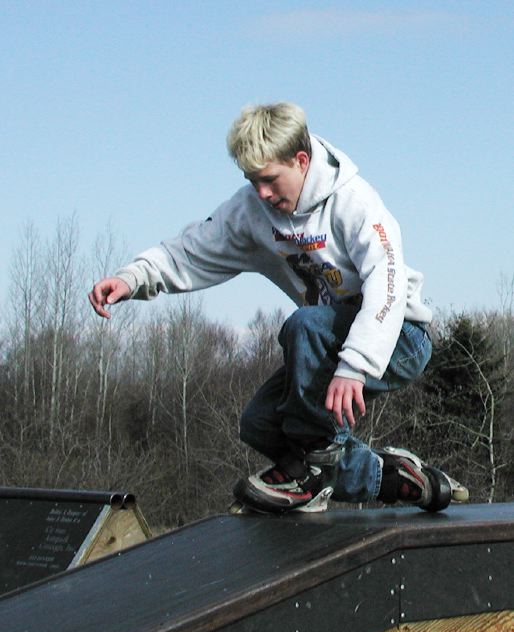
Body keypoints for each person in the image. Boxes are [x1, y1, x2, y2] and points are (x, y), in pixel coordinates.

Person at [89, 102, 466, 514]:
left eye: (270, 180)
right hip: (327, 343)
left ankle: (311, 474)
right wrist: (133, 278)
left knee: (304, 326)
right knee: (261, 423)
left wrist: (355, 365)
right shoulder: (252, 211)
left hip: (398, 339)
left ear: (301, 161)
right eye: (253, 181)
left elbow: (386, 283)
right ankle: (391, 478)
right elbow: (192, 250)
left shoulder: (353, 201)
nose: (263, 194)